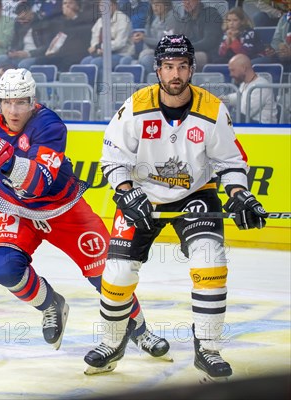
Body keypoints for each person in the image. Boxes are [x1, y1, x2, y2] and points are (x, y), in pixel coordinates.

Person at [0, 68, 170, 354]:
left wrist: (0, 153)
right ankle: (51, 304)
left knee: (107, 275)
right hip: (14, 209)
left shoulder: (49, 126)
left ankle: (140, 330)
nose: (14, 110)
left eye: (21, 102)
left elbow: (39, 183)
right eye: (7, 102)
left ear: (33, 102)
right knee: (3, 268)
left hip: (64, 210)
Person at [84, 35, 267, 381]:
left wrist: (240, 194)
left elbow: (231, 162)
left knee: (210, 261)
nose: (176, 74)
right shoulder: (136, 106)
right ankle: (112, 343)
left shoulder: (212, 109)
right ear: (158, 69)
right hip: (142, 197)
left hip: (194, 195)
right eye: (169, 67)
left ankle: (208, 350)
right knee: (117, 275)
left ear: (192, 68)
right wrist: (125, 192)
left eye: (182, 66)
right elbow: (112, 158)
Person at [81, 0, 134, 75]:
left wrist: (100, 47)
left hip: (121, 54)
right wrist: (96, 48)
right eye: (101, 5)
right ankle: (88, 86)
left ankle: (101, 87)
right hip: (101, 54)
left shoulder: (123, 19)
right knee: (85, 62)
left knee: (96, 63)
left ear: (114, 6)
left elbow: (120, 43)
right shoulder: (100, 21)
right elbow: (94, 40)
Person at [169, 0, 223, 70]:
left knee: (182, 59)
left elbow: (209, 42)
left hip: (208, 54)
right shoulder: (185, 19)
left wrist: (186, 48)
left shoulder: (210, 14)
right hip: (188, 52)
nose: (187, 2)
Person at [224, 53, 277, 124]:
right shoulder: (244, 84)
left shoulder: (260, 86)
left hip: (263, 128)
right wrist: (220, 100)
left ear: (244, 68)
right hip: (252, 125)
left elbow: (245, 112)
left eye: (233, 70)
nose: (231, 74)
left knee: (231, 118)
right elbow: (238, 97)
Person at [135, 0, 176, 81]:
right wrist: (143, 35)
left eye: (157, 5)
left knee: (146, 60)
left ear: (166, 6)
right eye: (153, 5)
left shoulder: (172, 19)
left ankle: (156, 84)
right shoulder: (156, 19)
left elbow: (165, 43)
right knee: (139, 60)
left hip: (169, 53)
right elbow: (151, 39)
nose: (154, 7)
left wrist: (144, 38)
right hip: (157, 52)